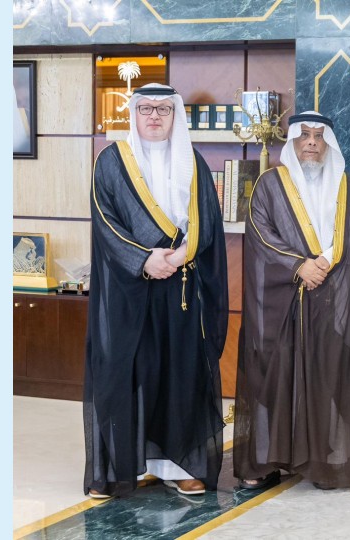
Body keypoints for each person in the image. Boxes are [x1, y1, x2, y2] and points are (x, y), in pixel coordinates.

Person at [84, 83, 229, 498]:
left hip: (179, 286)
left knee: (178, 372)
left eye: (163, 109)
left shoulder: (194, 162)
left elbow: (208, 221)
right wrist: (144, 260)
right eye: (145, 108)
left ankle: (179, 466)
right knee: (125, 372)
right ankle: (118, 468)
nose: (153, 116)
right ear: (134, 114)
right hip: (127, 288)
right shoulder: (111, 161)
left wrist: (179, 256)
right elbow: (105, 221)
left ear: (174, 115)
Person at [233, 111, 350, 491]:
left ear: (328, 143)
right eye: (304, 135)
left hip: (331, 299)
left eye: (319, 136)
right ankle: (266, 462)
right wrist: (299, 265)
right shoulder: (270, 184)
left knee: (327, 377)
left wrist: (323, 263)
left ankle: (322, 462)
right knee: (273, 381)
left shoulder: (344, 186)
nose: (312, 142)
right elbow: (260, 232)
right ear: (293, 141)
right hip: (281, 302)